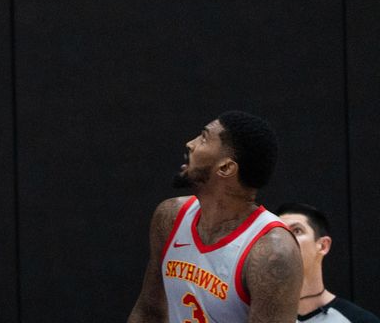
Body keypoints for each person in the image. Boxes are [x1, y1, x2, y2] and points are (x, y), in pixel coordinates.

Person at [126, 111, 303, 323]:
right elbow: (149, 311)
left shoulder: (273, 252)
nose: (190, 144)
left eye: (203, 138)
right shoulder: (171, 217)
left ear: (226, 167)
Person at [275, 202, 379, 322]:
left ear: (323, 246)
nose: (284, 239)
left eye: (297, 231)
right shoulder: (257, 316)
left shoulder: (359, 320)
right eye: (279, 232)